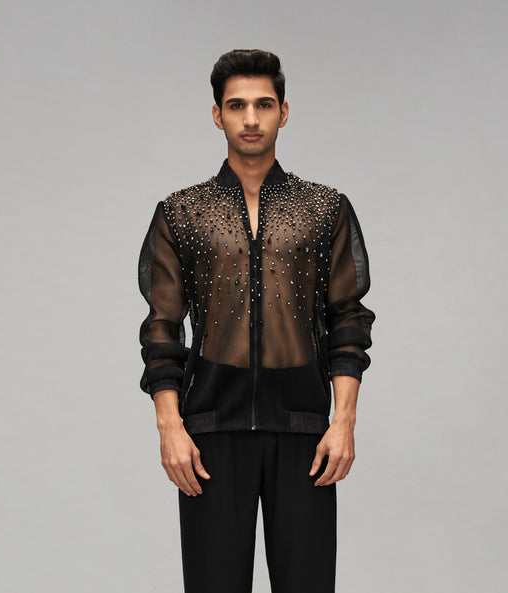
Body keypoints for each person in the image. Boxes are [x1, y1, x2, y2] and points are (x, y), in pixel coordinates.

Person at [137, 49, 376, 593]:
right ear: (217, 114)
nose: (251, 118)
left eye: (263, 104)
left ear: (283, 113)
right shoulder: (182, 212)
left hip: (305, 435)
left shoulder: (324, 208)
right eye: (237, 105)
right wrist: (170, 428)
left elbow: (347, 320)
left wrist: (343, 422)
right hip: (210, 436)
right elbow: (161, 328)